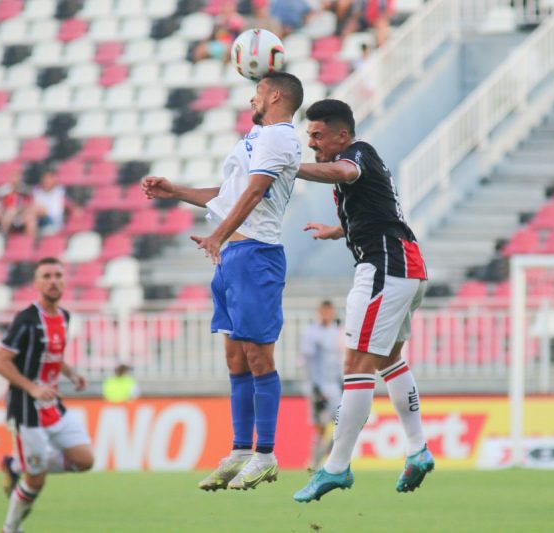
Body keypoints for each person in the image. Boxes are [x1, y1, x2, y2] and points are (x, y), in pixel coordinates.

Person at [141, 71, 304, 491]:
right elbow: (232, 193)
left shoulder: (279, 136)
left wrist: (217, 234)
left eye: (257, 92)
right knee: (235, 359)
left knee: (258, 358)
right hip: (233, 256)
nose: (252, 98)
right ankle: (239, 450)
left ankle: (265, 454)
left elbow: (253, 194)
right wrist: (176, 191)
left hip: (256, 256)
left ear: (275, 95)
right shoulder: (256, 139)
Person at [291, 99, 433, 503]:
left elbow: (343, 170)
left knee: (355, 365)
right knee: (388, 359)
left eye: (318, 135)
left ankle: (335, 466)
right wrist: (338, 231)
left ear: (341, 134)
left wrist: (288, 168)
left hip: (385, 268)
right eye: (309, 136)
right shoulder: (358, 162)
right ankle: (417, 448)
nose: (312, 143)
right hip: (406, 265)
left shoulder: (357, 154)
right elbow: (377, 210)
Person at [0, 257, 94, 533]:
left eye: (58, 275)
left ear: (64, 280)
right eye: (47, 276)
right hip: (26, 407)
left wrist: (72, 373)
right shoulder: (26, 319)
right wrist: (32, 387)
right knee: (36, 482)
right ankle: (10, 528)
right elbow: (0, 362)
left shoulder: (64, 316)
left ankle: (18, 464)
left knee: (85, 460)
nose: (53, 281)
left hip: (52, 405)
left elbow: (51, 354)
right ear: (37, 283)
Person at [300, 300, 343, 470]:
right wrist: (315, 386)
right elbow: (308, 361)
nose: (326, 314)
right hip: (318, 385)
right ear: (319, 312)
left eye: (329, 311)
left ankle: (330, 456)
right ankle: (314, 462)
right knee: (320, 426)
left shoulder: (338, 331)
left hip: (335, 384)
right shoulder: (311, 333)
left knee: (343, 422)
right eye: (323, 311)